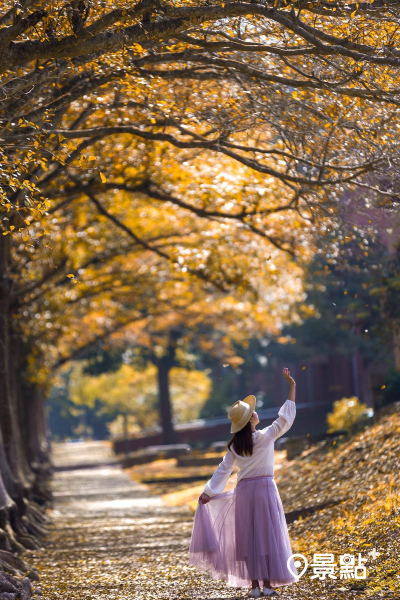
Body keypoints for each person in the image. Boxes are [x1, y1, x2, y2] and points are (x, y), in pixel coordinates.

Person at [188, 368, 300, 598]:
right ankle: (268, 585)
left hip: (244, 493)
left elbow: (224, 470)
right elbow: (286, 418)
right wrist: (292, 387)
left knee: (249, 538)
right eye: (253, 412)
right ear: (250, 419)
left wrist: (208, 492)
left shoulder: (233, 446)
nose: (256, 413)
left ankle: (255, 587)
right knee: (267, 537)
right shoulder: (266, 436)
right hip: (266, 491)